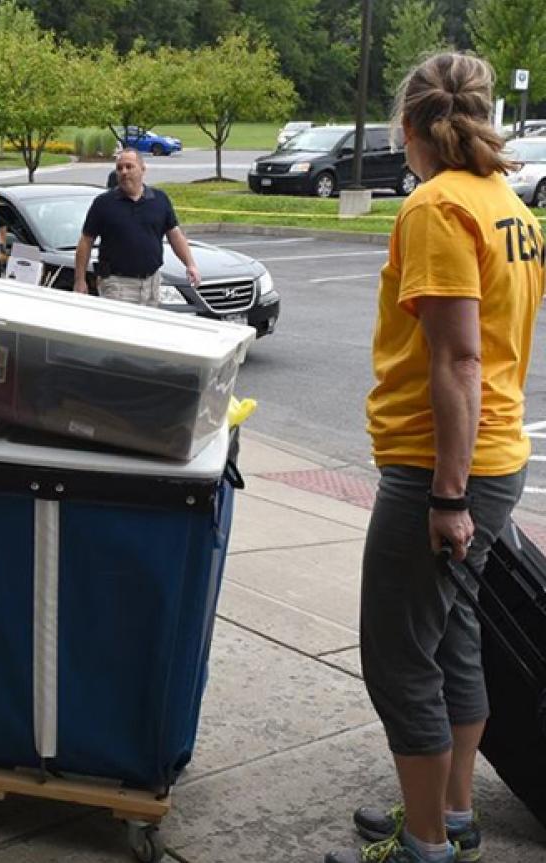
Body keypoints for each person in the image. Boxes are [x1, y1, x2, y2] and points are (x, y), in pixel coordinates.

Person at [325, 52, 545, 863]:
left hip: (441, 470)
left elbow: (457, 360)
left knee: (398, 654)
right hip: (492, 456)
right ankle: (450, 813)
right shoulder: (508, 204)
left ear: (410, 127)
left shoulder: (435, 207)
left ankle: (422, 845)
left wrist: (446, 497)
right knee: (453, 637)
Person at [73, 148, 199, 305]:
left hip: (152, 283)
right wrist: (80, 280)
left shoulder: (160, 200)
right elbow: (86, 241)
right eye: (119, 168)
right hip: (117, 284)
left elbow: (174, 235)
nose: (124, 172)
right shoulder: (103, 204)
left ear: (143, 169)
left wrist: (190, 264)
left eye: (129, 166)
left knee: (148, 328)